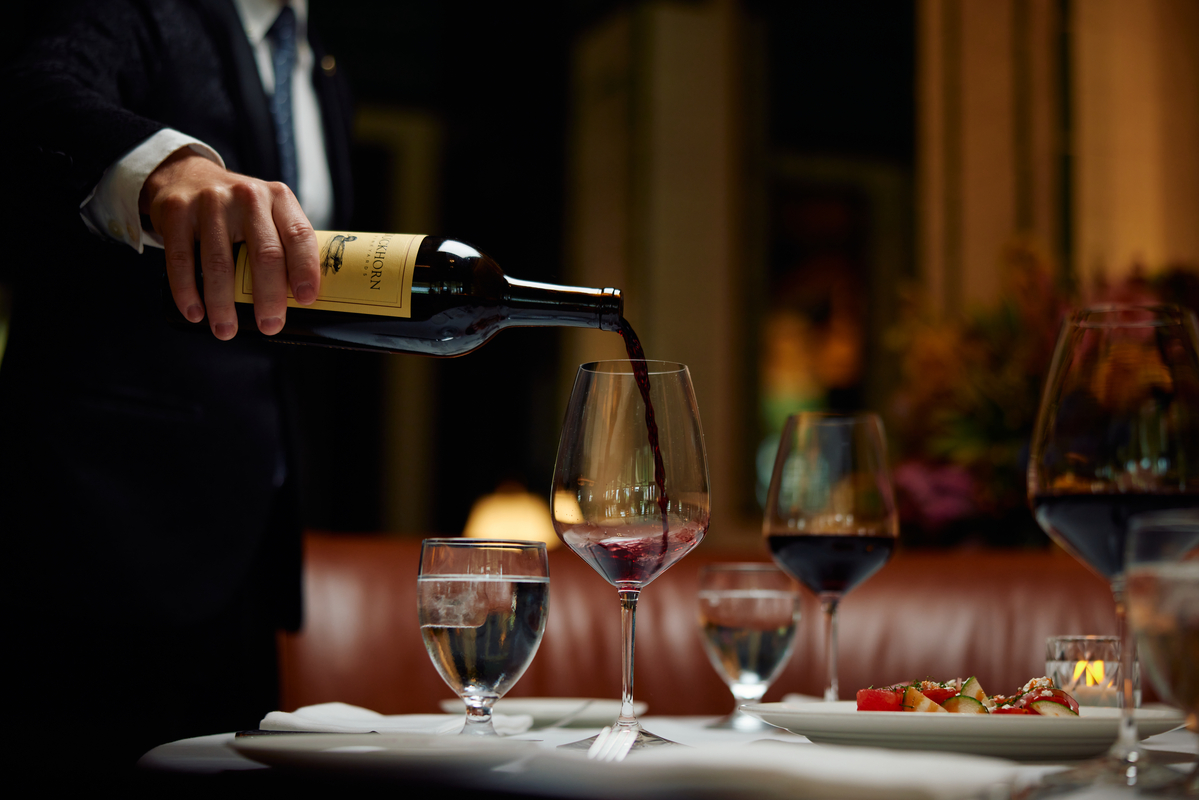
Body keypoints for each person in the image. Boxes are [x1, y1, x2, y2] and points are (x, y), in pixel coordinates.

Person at [1, 0, 353, 781]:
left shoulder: (318, 64)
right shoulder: (148, 10)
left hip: (248, 541)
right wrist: (166, 166)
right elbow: (28, 90)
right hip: (102, 532)